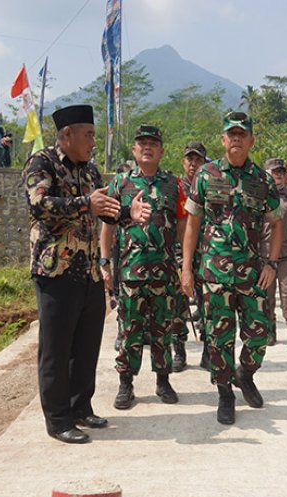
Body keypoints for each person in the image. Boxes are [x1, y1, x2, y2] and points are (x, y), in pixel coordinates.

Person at [22, 104, 144, 444]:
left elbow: (103, 209)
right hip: (56, 270)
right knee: (57, 349)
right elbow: (39, 204)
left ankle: (80, 407)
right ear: (67, 135)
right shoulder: (41, 162)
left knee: (86, 346)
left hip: (89, 270)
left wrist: (127, 212)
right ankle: (58, 419)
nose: (93, 141)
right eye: (88, 135)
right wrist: (83, 203)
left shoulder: (90, 171)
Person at [181, 111, 282, 425]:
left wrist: (272, 264)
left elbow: (276, 225)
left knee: (258, 335)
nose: (237, 138)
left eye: (242, 134)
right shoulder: (206, 175)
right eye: (231, 134)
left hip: (252, 273)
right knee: (218, 338)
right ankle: (225, 393)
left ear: (251, 140)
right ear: (223, 140)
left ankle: (246, 372)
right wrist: (186, 268)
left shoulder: (262, 179)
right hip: (215, 275)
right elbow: (192, 224)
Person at [101, 124, 187, 410]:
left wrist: (184, 261)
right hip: (130, 272)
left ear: (161, 151)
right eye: (142, 143)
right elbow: (107, 226)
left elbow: (184, 223)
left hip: (163, 270)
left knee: (162, 327)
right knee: (129, 329)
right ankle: (126, 384)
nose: (147, 147)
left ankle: (163, 381)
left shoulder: (173, 184)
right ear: (135, 150)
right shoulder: (120, 184)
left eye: (153, 143)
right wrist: (104, 261)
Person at [262, 157, 287, 350]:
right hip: (266, 255)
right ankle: (270, 330)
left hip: (286, 254)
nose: (278, 174)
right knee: (268, 295)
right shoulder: (260, 195)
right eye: (274, 171)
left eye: (281, 171)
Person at [178, 141, 209, 369]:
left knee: (208, 305)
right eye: (190, 159)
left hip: (207, 255)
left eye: (198, 159)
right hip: (180, 255)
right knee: (178, 305)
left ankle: (209, 350)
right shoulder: (174, 187)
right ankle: (179, 350)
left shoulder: (211, 186)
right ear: (183, 162)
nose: (193, 163)